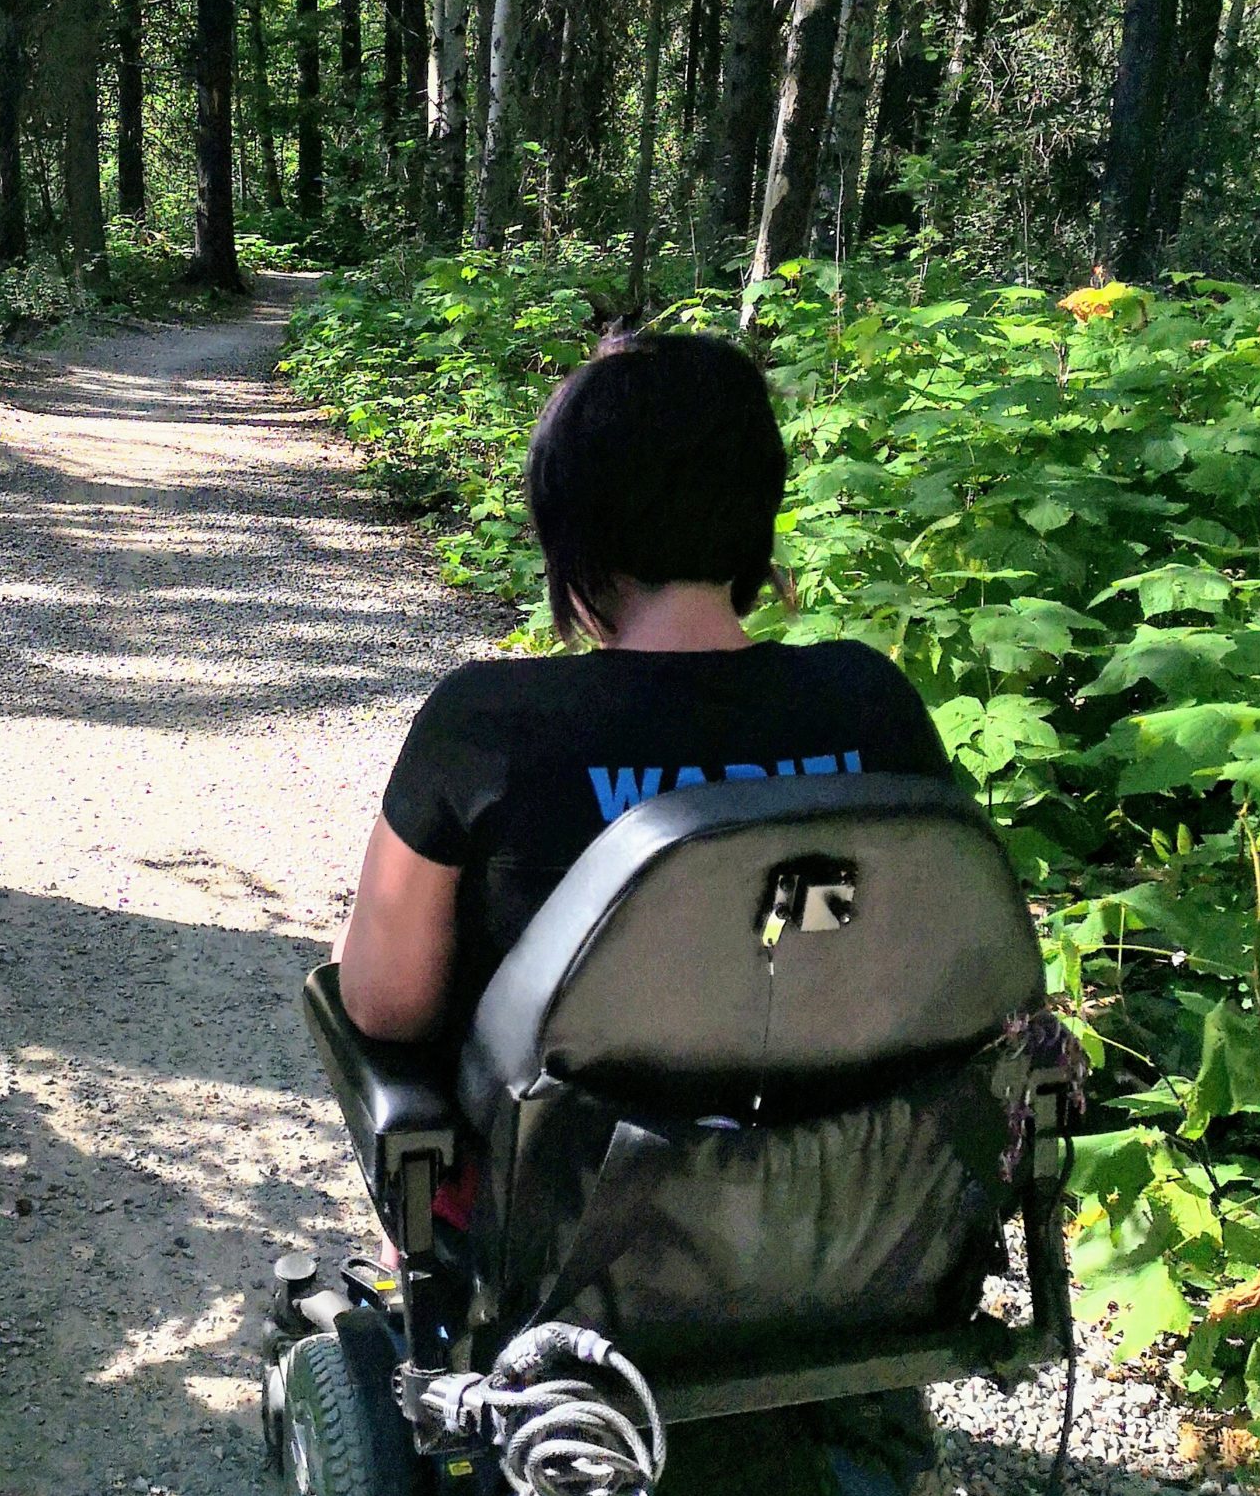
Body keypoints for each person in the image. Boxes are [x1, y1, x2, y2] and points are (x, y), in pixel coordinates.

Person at [336, 326, 952, 1049]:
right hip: (840, 1150)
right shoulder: (871, 701)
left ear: (570, 525)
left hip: (579, 1156)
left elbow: (387, 1005)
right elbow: (924, 961)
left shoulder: (488, 724)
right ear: (758, 505)